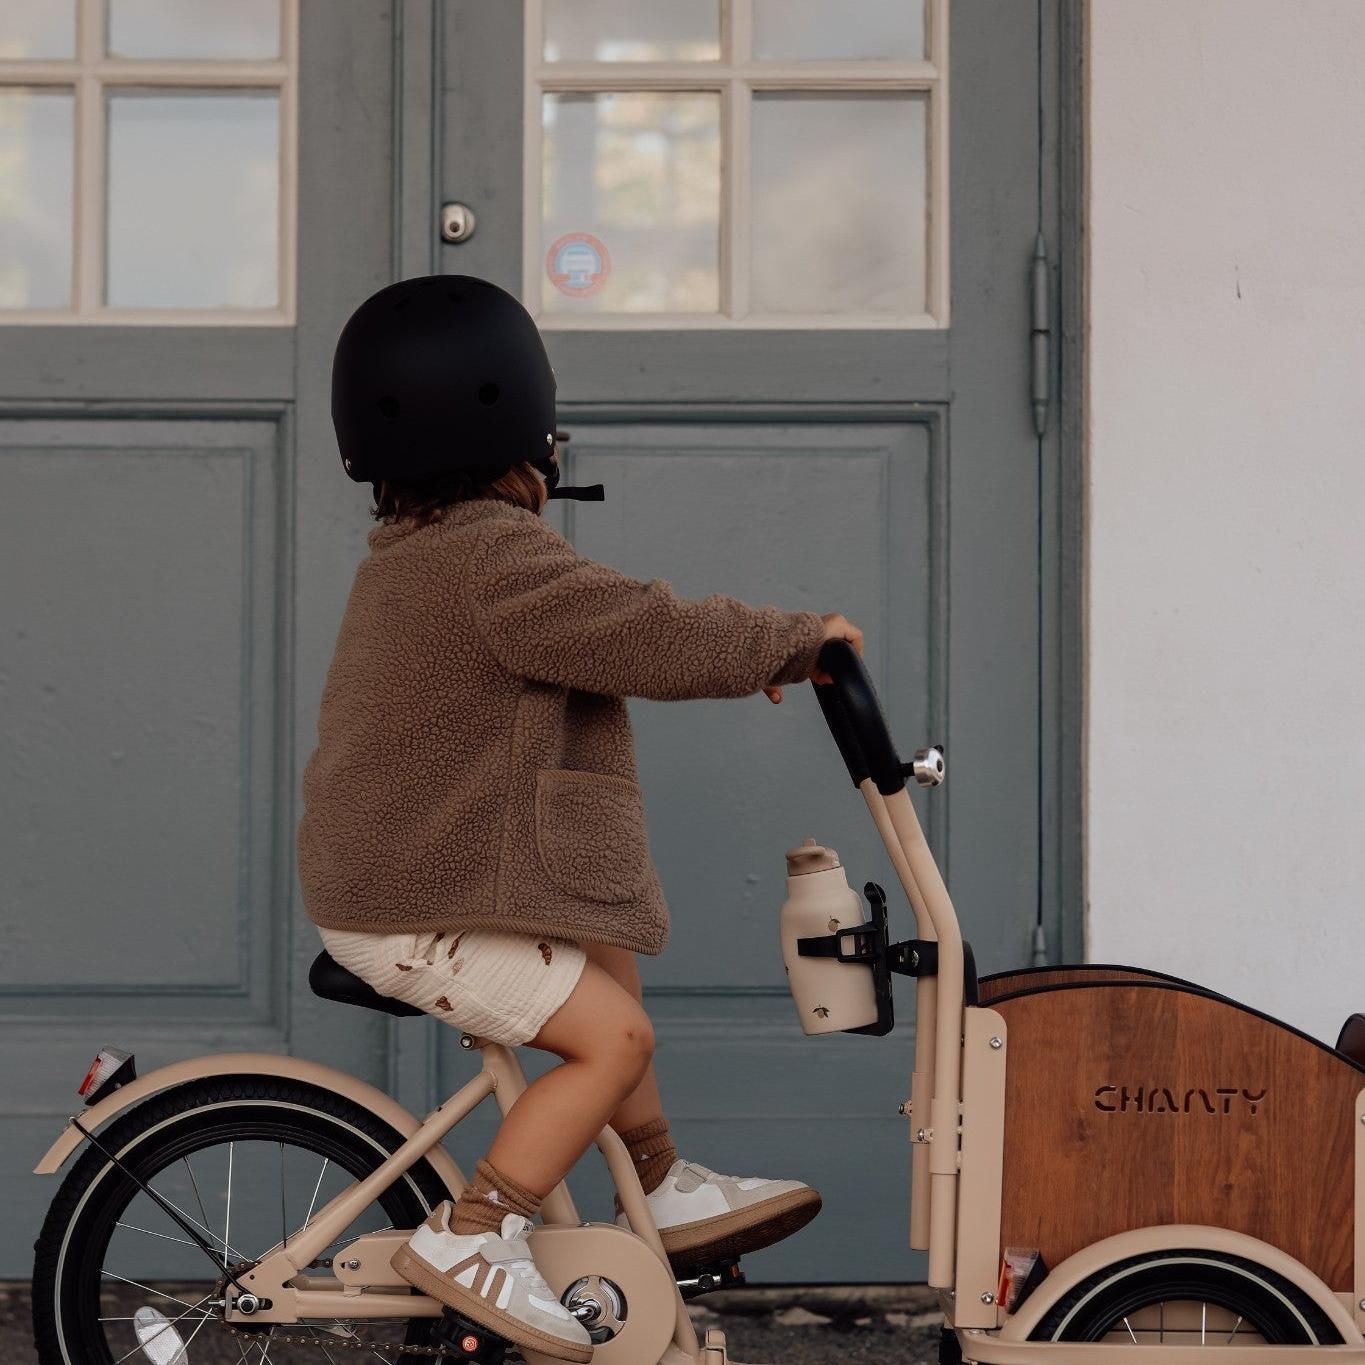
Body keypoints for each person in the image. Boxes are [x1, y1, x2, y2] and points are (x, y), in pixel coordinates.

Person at [297, 275, 864, 1361]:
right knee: (616, 1038)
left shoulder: (425, 553)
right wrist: (795, 643)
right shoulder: (492, 559)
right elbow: (643, 631)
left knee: (607, 946)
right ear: (518, 426)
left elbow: (614, 634)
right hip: (409, 901)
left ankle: (656, 1178)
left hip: (416, 872)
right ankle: (474, 1231)